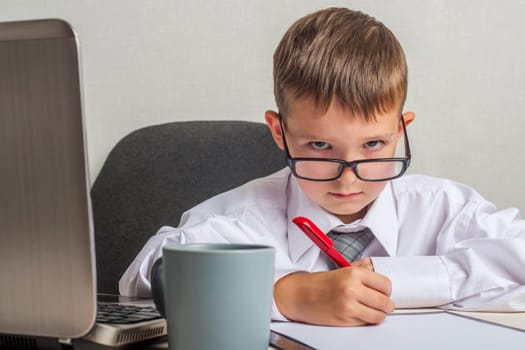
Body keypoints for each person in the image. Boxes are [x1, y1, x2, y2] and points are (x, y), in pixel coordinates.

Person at [119, 7, 525, 326]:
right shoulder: (244, 218)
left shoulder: (443, 208)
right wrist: (285, 294)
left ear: (400, 131)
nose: (348, 178)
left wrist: (401, 281)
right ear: (279, 133)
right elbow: (146, 277)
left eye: (373, 145)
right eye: (319, 145)